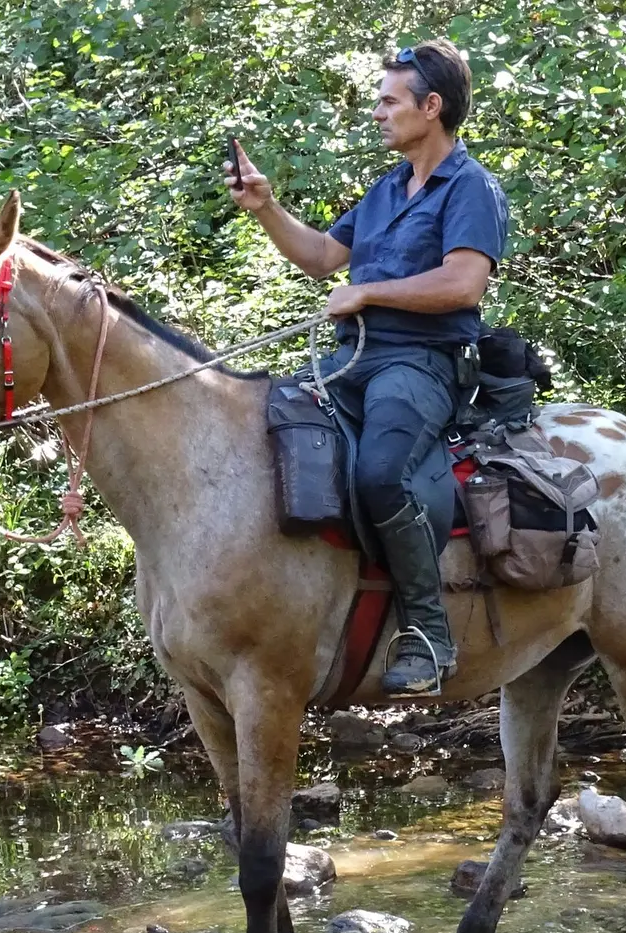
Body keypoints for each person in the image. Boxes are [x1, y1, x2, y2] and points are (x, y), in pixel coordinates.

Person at [225, 39, 510, 697]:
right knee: (264, 432)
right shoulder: (387, 189)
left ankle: (430, 635)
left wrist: (369, 292)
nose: (377, 113)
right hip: (351, 360)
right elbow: (322, 257)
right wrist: (265, 206)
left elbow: (464, 284)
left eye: (388, 102)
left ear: (430, 107)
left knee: (382, 473)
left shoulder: (472, 188)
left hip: (424, 363)